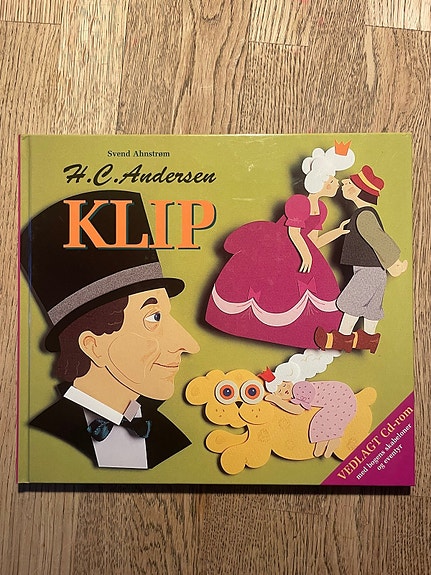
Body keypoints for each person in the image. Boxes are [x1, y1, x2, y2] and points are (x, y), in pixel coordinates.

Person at [20, 190, 199, 469]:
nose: (190, 344)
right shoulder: (41, 440)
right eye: (153, 317)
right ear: (93, 346)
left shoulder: (170, 438)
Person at [205, 142, 355, 349]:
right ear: (318, 183)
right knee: (272, 289)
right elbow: (294, 232)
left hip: (302, 250)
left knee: (314, 290)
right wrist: (306, 255)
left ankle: (317, 337)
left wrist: (338, 232)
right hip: (278, 248)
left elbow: (313, 242)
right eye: (331, 181)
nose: (335, 184)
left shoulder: (321, 209)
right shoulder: (299, 202)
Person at [314, 165, 408, 353]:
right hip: (375, 272)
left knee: (351, 302)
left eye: (349, 183)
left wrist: (393, 263)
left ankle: (340, 339)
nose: (344, 183)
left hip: (368, 270)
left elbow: (379, 239)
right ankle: (369, 340)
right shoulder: (364, 213)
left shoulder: (364, 215)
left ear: (358, 191)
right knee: (372, 307)